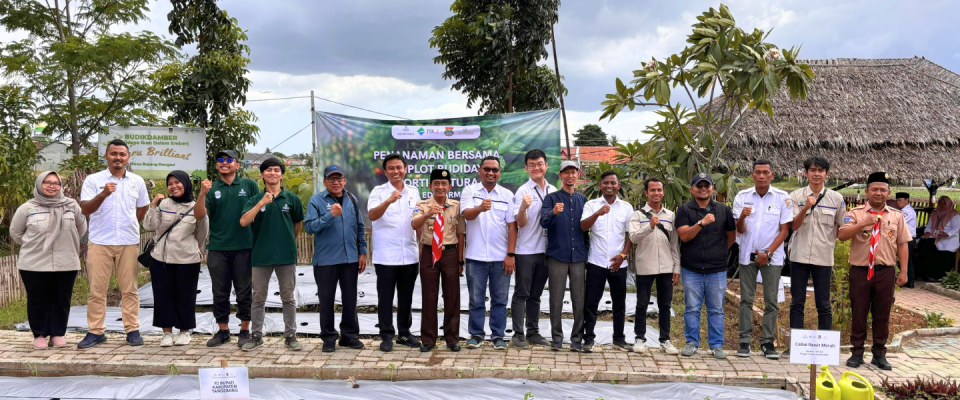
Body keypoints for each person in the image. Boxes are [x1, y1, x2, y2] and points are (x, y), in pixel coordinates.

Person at [78, 139, 150, 349]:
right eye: (113, 154)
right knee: (97, 290)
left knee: (130, 290)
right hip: (100, 241)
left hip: (128, 241)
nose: (118, 157)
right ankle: (96, 331)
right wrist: (103, 194)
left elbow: (143, 208)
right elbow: (85, 209)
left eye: (122, 154)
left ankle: (132, 329)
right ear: (106, 156)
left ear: (128, 157)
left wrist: (131, 223)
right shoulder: (93, 180)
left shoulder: (137, 181)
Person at [838, 171, 910, 370]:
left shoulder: (896, 216)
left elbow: (902, 244)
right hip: (860, 271)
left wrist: (904, 271)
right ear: (867, 191)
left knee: (882, 313)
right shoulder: (855, 213)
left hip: (885, 271)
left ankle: (879, 354)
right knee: (859, 312)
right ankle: (857, 352)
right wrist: (863, 223)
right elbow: (842, 235)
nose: (878, 193)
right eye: (874, 189)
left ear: (889, 193)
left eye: (882, 190)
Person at [10, 171, 87, 349]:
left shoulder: (71, 206)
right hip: (34, 263)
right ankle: (39, 334)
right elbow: (16, 232)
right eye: (47, 182)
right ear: (39, 184)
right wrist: (34, 244)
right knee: (38, 299)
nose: (52, 186)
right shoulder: (27, 208)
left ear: (60, 186)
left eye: (56, 183)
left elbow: (81, 228)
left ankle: (57, 334)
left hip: (66, 261)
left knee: (61, 299)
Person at [195, 150, 260, 348]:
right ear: (216, 165)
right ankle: (223, 331)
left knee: (244, 291)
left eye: (229, 160)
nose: (225, 162)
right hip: (218, 248)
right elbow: (199, 215)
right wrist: (202, 193)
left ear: (237, 165)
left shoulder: (249, 185)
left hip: (244, 246)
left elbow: (258, 212)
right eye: (220, 160)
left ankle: (244, 331)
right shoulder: (211, 187)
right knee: (220, 292)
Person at [239, 157, 304, 352]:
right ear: (262, 175)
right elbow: (243, 221)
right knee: (258, 298)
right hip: (261, 256)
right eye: (268, 170)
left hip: (286, 256)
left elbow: (297, 225)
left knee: (288, 297)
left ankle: (290, 336)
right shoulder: (254, 200)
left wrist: (288, 242)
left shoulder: (292, 199)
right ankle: (256, 336)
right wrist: (261, 203)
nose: (273, 173)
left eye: (276, 170)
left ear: (282, 175)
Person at [785, 156, 846, 357]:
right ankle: (795, 347)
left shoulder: (836, 199)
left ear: (827, 174)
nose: (817, 174)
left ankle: (825, 348)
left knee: (823, 303)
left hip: (823, 256)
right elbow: (794, 226)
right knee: (797, 301)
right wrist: (805, 207)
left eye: (821, 170)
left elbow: (841, 227)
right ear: (806, 173)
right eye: (812, 170)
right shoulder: (796, 196)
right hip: (799, 255)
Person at [732, 159, 792, 359]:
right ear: (752, 174)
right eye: (757, 172)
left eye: (766, 172)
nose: (761, 176)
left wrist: (768, 253)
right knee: (746, 300)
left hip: (772, 258)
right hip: (746, 256)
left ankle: (768, 342)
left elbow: (784, 231)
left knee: (771, 301)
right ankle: (745, 341)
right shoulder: (742, 197)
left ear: (772, 175)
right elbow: (739, 230)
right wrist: (742, 217)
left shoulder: (782, 198)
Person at [305, 164, 368, 353]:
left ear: (344, 181)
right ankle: (328, 338)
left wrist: (362, 252)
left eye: (339, 179)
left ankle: (349, 336)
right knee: (326, 301)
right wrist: (330, 215)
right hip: (325, 261)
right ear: (325, 182)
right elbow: (310, 227)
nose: (336, 182)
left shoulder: (352, 199)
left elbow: (359, 227)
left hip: (350, 259)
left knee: (350, 300)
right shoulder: (316, 200)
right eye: (331, 179)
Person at [143, 171, 209, 347]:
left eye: (177, 182)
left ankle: (184, 331)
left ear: (186, 184)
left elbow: (202, 234)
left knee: (185, 296)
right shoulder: (163, 204)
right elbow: (149, 226)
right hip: (160, 259)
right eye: (170, 183)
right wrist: (153, 205)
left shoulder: (196, 207)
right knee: (162, 296)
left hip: (187, 261)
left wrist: (192, 250)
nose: (174, 186)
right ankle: (166, 333)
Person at [676, 172, 736, 359]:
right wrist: (701, 223)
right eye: (699, 186)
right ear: (692, 189)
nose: (703, 189)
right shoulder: (684, 210)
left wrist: (719, 252)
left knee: (716, 309)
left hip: (716, 269)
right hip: (691, 268)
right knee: (692, 308)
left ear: (712, 188)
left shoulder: (723, 210)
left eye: (706, 185)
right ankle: (691, 342)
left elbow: (731, 236)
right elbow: (684, 236)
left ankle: (717, 345)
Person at [461, 156, 517, 350]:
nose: (491, 173)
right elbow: (467, 215)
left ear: (500, 173)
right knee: (476, 299)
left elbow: (512, 226)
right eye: (487, 169)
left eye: (495, 170)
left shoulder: (507, 195)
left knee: (500, 300)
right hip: (475, 257)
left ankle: (498, 336)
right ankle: (476, 335)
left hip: (501, 258)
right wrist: (480, 208)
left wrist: (511, 255)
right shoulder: (470, 191)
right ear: (480, 170)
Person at [367, 154, 421, 352]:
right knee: (386, 298)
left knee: (406, 297)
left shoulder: (414, 192)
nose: (395, 171)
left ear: (405, 169)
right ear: (385, 172)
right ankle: (387, 335)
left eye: (399, 167)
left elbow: (417, 220)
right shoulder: (378, 192)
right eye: (391, 168)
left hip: (409, 254)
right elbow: (372, 215)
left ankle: (404, 333)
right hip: (386, 256)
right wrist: (389, 200)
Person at [411, 169, 465, 352]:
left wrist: (460, 261)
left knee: (452, 296)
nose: (440, 187)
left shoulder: (456, 206)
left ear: (450, 186)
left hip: (450, 253)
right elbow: (414, 224)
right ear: (430, 186)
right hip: (429, 253)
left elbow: (460, 233)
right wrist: (427, 214)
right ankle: (428, 339)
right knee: (429, 296)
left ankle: (452, 338)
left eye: (444, 184)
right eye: (436, 183)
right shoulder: (422, 205)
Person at [580, 171, 633, 353]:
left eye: (613, 182)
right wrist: (597, 213)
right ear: (600, 185)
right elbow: (583, 227)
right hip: (596, 262)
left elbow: (631, 235)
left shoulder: (626, 207)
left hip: (619, 263)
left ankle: (619, 339)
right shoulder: (591, 205)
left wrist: (623, 255)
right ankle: (588, 338)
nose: (609, 186)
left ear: (618, 186)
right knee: (591, 302)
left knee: (619, 303)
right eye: (606, 183)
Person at [540, 160, 589, 352]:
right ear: (560, 175)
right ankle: (556, 338)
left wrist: (586, 252)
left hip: (578, 257)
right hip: (557, 256)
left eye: (573, 172)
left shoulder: (583, 200)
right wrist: (553, 212)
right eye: (566, 172)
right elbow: (543, 222)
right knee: (556, 299)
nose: (570, 175)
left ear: (577, 175)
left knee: (579, 299)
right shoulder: (551, 198)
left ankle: (577, 339)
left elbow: (587, 229)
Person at [509, 149, 556, 348]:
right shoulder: (523, 191)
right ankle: (518, 334)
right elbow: (520, 223)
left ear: (546, 165)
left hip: (546, 251)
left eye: (540, 164)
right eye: (532, 165)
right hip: (526, 251)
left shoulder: (553, 190)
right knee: (522, 294)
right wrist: (523, 208)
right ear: (526, 168)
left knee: (536, 295)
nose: (536, 168)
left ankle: (533, 332)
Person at [628, 177, 680, 355]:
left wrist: (676, 268)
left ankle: (665, 340)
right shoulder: (637, 215)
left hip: (666, 266)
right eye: (652, 190)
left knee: (665, 305)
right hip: (645, 266)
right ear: (646, 193)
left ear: (663, 192)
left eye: (659, 190)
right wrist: (649, 226)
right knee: (642, 304)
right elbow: (633, 238)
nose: (656, 193)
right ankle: (639, 339)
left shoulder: (671, 216)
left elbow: (674, 244)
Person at [919, 196, 960, 282]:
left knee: (945, 256)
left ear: (949, 204)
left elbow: (956, 228)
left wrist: (947, 234)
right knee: (925, 246)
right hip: (936, 237)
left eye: (944, 203)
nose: (941, 205)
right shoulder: (935, 213)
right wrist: (927, 232)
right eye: (940, 203)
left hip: (949, 240)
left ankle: (943, 277)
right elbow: (929, 226)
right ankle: (928, 274)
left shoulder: (954, 214)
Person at [894, 192, 917, 288]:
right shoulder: (903, 211)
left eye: (900, 200)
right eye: (897, 201)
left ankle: (909, 281)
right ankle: (909, 281)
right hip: (907, 238)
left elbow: (897, 223)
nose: (898, 202)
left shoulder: (908, 211)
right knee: (906, 260)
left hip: (909, 238)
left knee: (905, 259)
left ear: (907, 200)